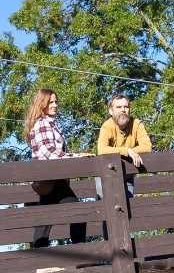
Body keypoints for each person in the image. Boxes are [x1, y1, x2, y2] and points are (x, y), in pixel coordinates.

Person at [24, 87, 89, 246]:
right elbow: (50, 153)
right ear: (42, 104)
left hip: (53, 179)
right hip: (50, 177)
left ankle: (41, 259)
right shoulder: (42, 124)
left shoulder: (51, 124)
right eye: (50, 102)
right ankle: (81, 254)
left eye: (55, 102)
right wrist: (76, 156)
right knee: (77, 213)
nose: (55, 105)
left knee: (45, 220)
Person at [95, 93, 152, 174]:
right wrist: (127, 151)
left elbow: (147, 147)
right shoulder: (107, 126)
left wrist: (131, 152)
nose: (123, 110)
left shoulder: (137, 124)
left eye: (126, 107)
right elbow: (101, 150)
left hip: (128, 171)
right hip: (108, 173)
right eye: (119, 107)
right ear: (111, 111)